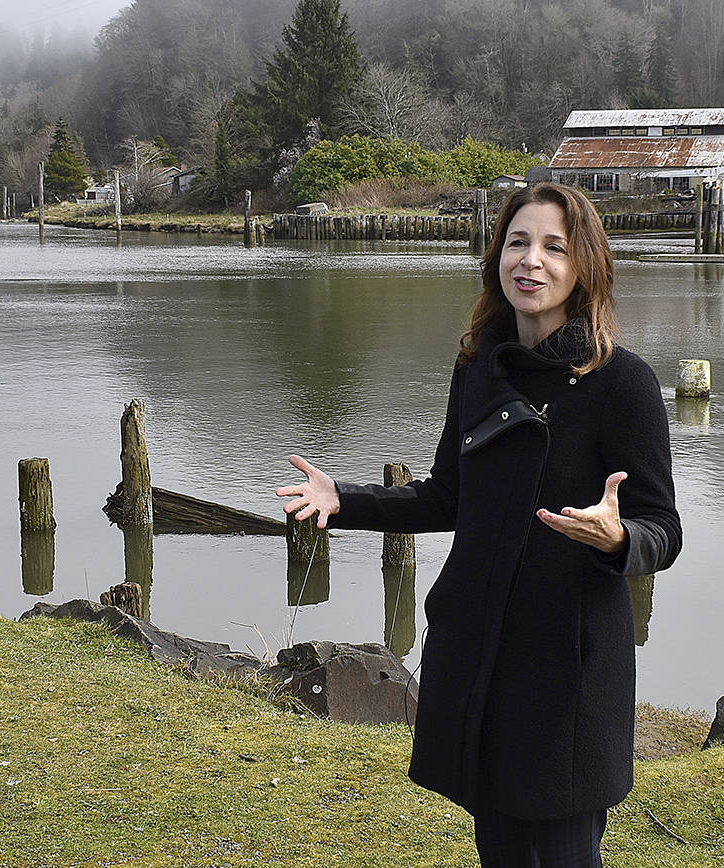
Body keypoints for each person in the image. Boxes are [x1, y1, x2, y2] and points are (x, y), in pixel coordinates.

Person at [275, 182, 682, 867]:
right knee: (498, 847)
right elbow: (448, 498)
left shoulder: (622, 383)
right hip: (486, 652)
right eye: (518, 242)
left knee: (561, 849)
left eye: (555, 247)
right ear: (496, 257)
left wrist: (618, 538)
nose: (532, 261)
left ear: (585, 266)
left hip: (570, 669)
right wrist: (346, 500)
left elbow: (662, 527)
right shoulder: (477, 369)